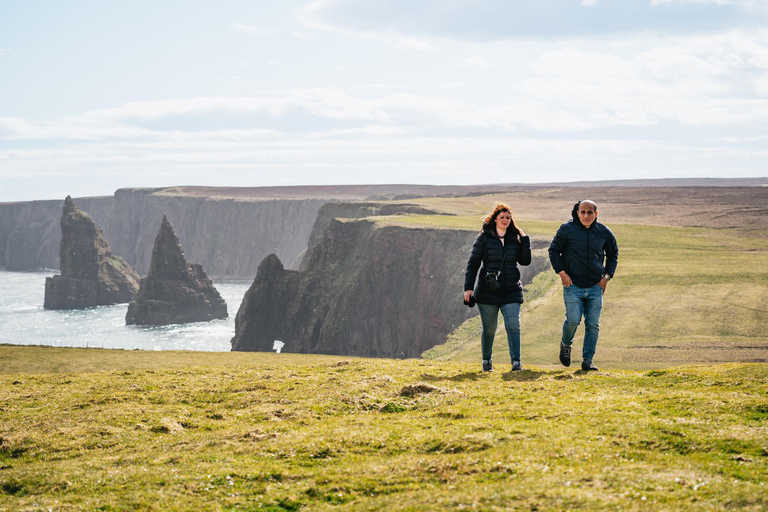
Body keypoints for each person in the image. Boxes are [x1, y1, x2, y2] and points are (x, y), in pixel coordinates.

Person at [548, 200, 618, 371]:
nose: (586, 216)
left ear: (596, 213)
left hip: (595, 286)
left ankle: (588, 360)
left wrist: (607, 276)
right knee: (573, 320)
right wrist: (562, 273)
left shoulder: (604, 232)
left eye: (590, 212)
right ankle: (566, 344)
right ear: (577, 213)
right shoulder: (567, 229)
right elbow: (553, 251)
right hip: (573, 285)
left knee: (593, 324)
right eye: (583, 212)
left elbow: (613, 253)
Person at [464, 203, 531, 372]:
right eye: (502, 217)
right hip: (488, 291)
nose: (505, 220)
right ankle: (487, 361)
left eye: (508, 217)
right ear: (495, 219)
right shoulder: (484, 238)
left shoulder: (513, 239)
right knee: (489, 329)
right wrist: (468, 288)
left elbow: (525, 261)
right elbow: (473, 263)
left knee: (513, 326)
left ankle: (516, 362)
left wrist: (524, 238)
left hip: (511, 290)